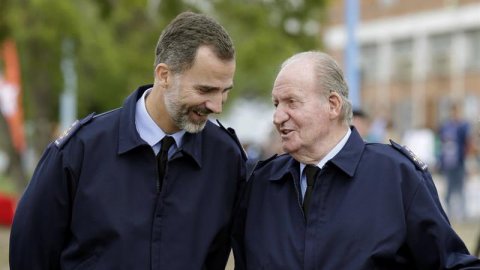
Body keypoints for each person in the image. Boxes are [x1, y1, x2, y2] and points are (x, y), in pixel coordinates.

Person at [10, 12, 246, 269]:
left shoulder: (227, 160)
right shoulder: (80, 150)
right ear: (164, 75)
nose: (217, 106)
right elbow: (30, 256)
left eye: (225, 91)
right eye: (205, 90)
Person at [232, 51, 480, 269]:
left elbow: (450, 263)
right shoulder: (261, 184)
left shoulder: (396, 176)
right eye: (276, 104)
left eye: (291, 102)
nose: (277, 117)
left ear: (332, 105)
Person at [437, 103, 471, 221]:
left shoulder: (463, 126)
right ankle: (449, 214)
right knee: (449, 190)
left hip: (459, 162)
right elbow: (441, 143)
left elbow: (467, 142)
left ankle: (462, 214)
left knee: (460, 189)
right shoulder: (445, 126)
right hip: (448, 163)